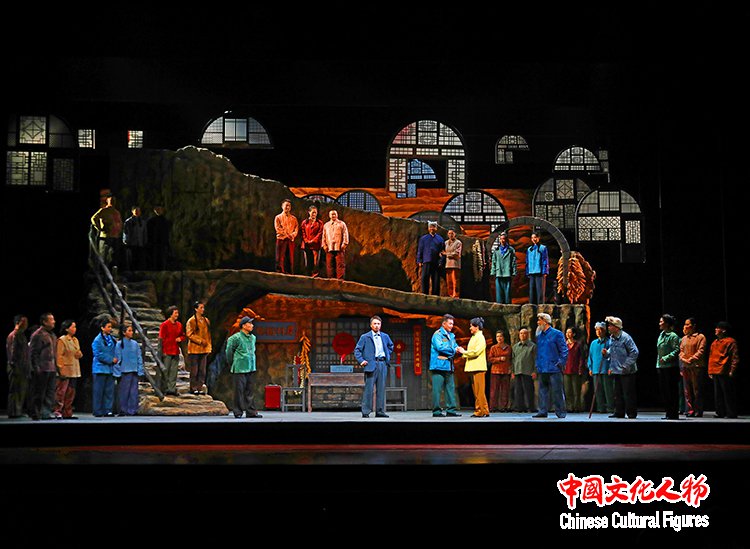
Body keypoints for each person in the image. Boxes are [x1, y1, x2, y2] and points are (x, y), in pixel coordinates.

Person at [354, 315, 394, 418]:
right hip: (371, 364)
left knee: (381, 388)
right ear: (371, 325)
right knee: (369, 389)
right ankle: (366, 411)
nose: (377, 325)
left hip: (382, 364)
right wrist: (361, 360)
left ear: (381, 325)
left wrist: (387, 355)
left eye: (378, 324)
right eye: (375, 324)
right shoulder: (365, 337)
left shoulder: (385, 336)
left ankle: (380, 411)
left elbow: (391, 346)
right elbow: (357, 350)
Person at [225, 316, 262, 418]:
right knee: (239, 391)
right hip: (240, 367)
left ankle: (251, 412)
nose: (252, 325)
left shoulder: (252, 338)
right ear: (244, 326)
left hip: (251, 367)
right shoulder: (235, 338)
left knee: (250, 390)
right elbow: (229, 352)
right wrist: (232, 363)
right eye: (250, 323)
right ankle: (238, 411)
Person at [532, 313, 568, 418]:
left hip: (554, 367)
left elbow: (564, 350)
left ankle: (560, 411)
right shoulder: (539, 336)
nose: (538, 322)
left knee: (557, 391)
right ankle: (542, 411)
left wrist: (561, 362)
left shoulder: (557, 334)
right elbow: (539, 351)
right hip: (542, 367)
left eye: (540, 320)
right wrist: (537, 364)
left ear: (545, 322)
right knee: (542, 391)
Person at [603, 316, 639, 419]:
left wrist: (626, 365)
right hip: (616, 370)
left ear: (616, 327)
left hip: (626, 371)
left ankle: (631, 413)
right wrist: (606, 353)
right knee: (617, 393)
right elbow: (612, 351)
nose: (608, 327)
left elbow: (634, 352)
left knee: (628, 393)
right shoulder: (612, 338)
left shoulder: (625, 338)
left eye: (610, 326)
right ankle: (619, 412)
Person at [430, 314, 464, 417]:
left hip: (449, 366)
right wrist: (454, 350)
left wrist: (459, 348)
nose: (452, 326)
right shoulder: (438, 335)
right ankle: (436, 411)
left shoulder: (452, 335)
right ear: (444, 324)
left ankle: (451, 410)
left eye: (452, 324)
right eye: (450, 323)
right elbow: (440, 348)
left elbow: (454, 346)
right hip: (438, 366)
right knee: (437, 390)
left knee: (450, 389)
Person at [29, 313, 58, 421]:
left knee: (49, 393)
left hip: (51, 368)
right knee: (39, 392)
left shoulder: (52, 335)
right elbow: (33, 353)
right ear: (44, 322)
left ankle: (45, 413)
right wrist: (36, 367)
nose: (54, 321)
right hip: (42, 368)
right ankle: (36, 413)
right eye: (51, 319)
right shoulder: (38, 334)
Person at [708, 321, 740, 419]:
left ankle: (731, 412)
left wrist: (732, 370)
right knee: (718, 394)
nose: (715, 329)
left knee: (727, 393)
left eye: (718, 328)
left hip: (724, 371)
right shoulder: (714, 342)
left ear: (724, 330)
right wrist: (710, 370)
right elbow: (711, 356)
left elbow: (735, 357)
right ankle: (720, 412)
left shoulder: (730, 341)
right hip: (715, 370)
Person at [460, 317, 489, 417]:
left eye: (471, 326)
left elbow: (476, 352)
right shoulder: (475, 337)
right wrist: (464, 353)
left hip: (478, 368)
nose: (470, 328)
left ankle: (480, 411)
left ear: (476, 327)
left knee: (479, 391)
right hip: (474, 367)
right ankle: (484, 410)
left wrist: (464, 352)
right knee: (478, 391)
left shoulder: (480, 337)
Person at [113, 324, 144, 416]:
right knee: (124, 391)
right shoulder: (119, 344)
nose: (131, 332)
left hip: (134, 370)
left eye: (132, 331)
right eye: (129, 331)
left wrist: (140, 369)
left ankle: (132, 410)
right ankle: (123, 409)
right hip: (124, 370)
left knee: (134, 392)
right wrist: (117, 372)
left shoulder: (135, 344)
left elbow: (139, 357)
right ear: (124, 332)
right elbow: (117, 358)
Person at [54, 320, 82, 419]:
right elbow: (59, 356)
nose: (75, 329)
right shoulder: (62, 340)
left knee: (71, 392)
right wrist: (60, 370)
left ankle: (67, 412)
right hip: (65, 369)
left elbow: (78, 353)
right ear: (66, 329)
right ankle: (58, 411)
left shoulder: (75, 340)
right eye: (73, 327)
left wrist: (79, 354)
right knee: (61, 392)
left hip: (74, 370)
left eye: (75, 327)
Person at [680, 317, 707, 417]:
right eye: (685, 324)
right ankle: (689, 410)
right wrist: (684, 359)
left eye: (688, 324)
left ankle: (698, 410)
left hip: (696, 366)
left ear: (694, 326)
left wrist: (691, 359)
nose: (686, 326)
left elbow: (701, 351)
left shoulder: (700, 337)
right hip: (685, 366)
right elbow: (681, 351)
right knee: (687, 390)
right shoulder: (684, 338)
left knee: (697, 389)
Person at [91, 317, 118, 417]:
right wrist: (110, 359)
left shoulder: (112, 339)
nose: (110, 329)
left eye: (111, 327)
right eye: (108, 327)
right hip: (100, 369)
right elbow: (98, 354)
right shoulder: (97, 340)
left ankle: (108, 410)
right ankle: (97, 410)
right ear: (102, 328)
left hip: (110, 369)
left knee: (109, 391)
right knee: (99, 391)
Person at [656, 314, 681, 420]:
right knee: (665, 391)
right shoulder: (661, 335)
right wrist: (658, 363)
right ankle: (668, 412)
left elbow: (677, 350)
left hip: (671, 367)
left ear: (666, 323)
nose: (659, 323)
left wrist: (666, 358)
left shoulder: (673, 336)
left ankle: (673, 413)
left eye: (661, 322)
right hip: (662, 366)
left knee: (672, 391)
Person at [6, 315, 31, 418]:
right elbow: (12, 352)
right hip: (16, 367)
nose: (26, 324)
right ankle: (13, 412)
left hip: (22, 367)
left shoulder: (21, 335)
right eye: (24, 322)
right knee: (15, 390)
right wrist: (14, 366)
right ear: (18, 322)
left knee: (21, 390)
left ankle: (18, 411)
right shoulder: (15, 335)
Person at [186, 301, 212, 395]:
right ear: (196, 309)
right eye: (201, 308)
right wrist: (200, 341)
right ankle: (193, 387)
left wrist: (208, 346)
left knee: (202, 370)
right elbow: (189, 334)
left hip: (204, 349)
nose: (203, 309)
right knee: (194, 370)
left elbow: (208, 335)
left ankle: (200, 387)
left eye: (203, 308)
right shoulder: (191, 321)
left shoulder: (206, 320)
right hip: (194, 349)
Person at [91, 194, 123, 268]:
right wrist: (99, 228)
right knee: (104, 255)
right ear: (107, 201)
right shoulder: (103, 210)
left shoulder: (116, 212)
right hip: (106, 237)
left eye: (114, 200)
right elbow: (93, 218)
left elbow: (119, 222)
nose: (113, 201)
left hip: (115, 237)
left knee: (114, 256)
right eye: (111, 200)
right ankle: (102, 270)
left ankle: (112, 271)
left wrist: (119, 230)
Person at [588, 321, 614, 414]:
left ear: (604, 331)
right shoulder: (593, 343)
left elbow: (612, 356)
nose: (598, 332)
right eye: (597, 330)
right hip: (596, 369)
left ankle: (610, 407)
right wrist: (590, 368)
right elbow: (590, 356)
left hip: (605, 369)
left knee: (608, 390)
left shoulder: (609, 342)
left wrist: (611, 367)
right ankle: (600, 407)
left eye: (600, 330)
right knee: (597, 390)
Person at [158, 306, 184, 396]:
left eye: (177, 313)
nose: (177, 315)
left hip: (175, 350)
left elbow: (182, 335)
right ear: (171, 314)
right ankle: (164, 388)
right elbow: (161, 338)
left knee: (174, 371)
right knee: (165, 370)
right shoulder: (165, 325)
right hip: (167, 350)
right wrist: (161, 351)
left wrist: (180, 338)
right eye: (175, 313)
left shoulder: (179, 325)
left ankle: (171, 389)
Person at [511, 328, 537, 413]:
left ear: (528, 335)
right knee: (518, 390)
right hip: (517, 370)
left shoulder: (532, 346)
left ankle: (530, 407)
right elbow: (513, 360)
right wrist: (512, 371)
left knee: (529, 390)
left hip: (528, 371)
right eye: (521, 333)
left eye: (524, 333)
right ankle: (520, 407)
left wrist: (535, 371)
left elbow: (536, 359)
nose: (523, 335)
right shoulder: (515, 347)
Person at [563, 327, 586, 413]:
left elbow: (581, 358)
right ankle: (569, 407)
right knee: (567, 390)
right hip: (566, 370)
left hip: (576, 370)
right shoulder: (564, 345)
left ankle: (577, 406)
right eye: (567, 332)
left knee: (576, 390)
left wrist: (580, 369)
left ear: (573, 334)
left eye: (569, 332)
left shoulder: (578, 345)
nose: (568, 334)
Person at [417, 221, 444, 295]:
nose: (432, 228)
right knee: (425, 278)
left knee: (436, 279)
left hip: (436, 262)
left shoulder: (440, 239)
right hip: (426, 261)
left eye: (434, 227)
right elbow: (420, 250)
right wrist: (419, 260)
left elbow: (442, 252)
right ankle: (424, 294)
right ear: (428, 228)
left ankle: (435, 295)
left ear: (436, 228)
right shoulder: (423, 238)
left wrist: (441, 261)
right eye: (431, 227)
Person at [488, 330, 512, 412]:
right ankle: (493, 407)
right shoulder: (493, 347)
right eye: (497, 336)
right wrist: (499, 359)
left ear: (504, 337)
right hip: (495, 371)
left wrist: (510, 368)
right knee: (494, 390)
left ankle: (503, 407)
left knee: (505, 390)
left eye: (500, 336)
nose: (499, 338)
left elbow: (511, 359)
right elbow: (490, 359)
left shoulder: (508, 347)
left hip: (506, 371)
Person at [321, 210, 349, 279]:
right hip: (329, 248)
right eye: (332, 214)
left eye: (334, 214)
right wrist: (324, 245)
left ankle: (340, 281)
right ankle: (331, 280)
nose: (333, 216)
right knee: (329, 265)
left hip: (339, 248)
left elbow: (345, 234)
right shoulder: (326, 225)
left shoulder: (342, 224)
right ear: (329, 215)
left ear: (337, 215)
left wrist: (344, 244)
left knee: (340, 265)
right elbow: (323, 236)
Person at [490, 231, 517, 304]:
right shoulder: (496, 250)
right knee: (499, 293)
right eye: (501, 239)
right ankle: (499, 306)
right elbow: (494, 262)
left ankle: (508, 306)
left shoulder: (511, 250)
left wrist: (514, 272)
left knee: (507, 292)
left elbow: (513, 261)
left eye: (504, 239)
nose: (502, 240)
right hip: (499, 273)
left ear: (506, 239)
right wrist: (493, 272)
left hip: (507, 272)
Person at [274, 198, 299, 274]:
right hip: (281, 239)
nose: (287, 207)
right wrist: (286, 235)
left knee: (290, 257)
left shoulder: (294, 218)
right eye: (286, 205)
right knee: (280, 257)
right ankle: (280, 272)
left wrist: (292, 235)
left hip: (290, 240)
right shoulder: (278, 217)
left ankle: (289, 272)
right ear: (282, 206)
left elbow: (296, 229)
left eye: (289, 206)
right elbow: (278, 229)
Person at [300, 205, 324, 277]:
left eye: (315, 212)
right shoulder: (304, 222)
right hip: (306, 244)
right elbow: (303, 232)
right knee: (307, 261)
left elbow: (320, 233)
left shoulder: (320, 223)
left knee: (315, 261)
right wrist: (306, 240)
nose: (314, 214)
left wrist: (313, 240)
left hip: (316, 245)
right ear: (309, 212)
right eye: (312, 212)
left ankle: (315, 275)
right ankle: (307, 275)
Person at [122, 205, 148, 271]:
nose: (137, 212)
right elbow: (126, 232)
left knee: (139, 260)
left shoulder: (142, 222)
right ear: (132, 211)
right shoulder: (128, 222)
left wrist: (145, 241)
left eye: (138, 210)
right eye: (135, 210)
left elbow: (144, 232)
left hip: (140, 244)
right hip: (132, 244)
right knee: (131, 260)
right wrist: (126, 241)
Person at [526, 231, 548, 305]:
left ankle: (540, 306)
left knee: (540, 291)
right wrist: (527, 271)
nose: (534, 239)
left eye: (535, 237)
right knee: (532, 291)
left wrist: (545, 271)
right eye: (532, 238)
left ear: (538, 238)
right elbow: (527, 261)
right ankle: (531, 307)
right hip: (531, 272)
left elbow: (545, 260)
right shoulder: (529, 249)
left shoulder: (542, 248)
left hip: (539, 272)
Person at [146, 205, 170, 270]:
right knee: (155, 259)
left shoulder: (165, 221)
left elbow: (167, 232)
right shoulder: (151, 221)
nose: (158, 210)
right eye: (156, 209)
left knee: (162, 259)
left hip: (162, 243)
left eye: (159, 209)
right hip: (154, 243)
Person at [442, 229, 462, 298]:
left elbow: (456, 254)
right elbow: (443, 252)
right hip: (448, 264)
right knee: (449, 281)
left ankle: (456, 295)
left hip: (455, 264)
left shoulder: (458, 243)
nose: (450, 235)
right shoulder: (446, 243)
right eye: (449, 233)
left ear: (455, 234)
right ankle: (450, 294)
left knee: (455, 280)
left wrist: (446, 254)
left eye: (452, 233)